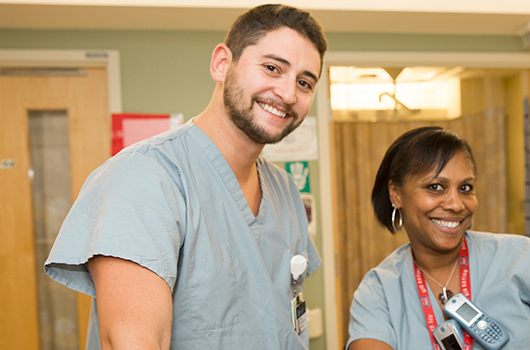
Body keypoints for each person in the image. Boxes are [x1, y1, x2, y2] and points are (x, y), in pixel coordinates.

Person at [44, 4, 327, 349]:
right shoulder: (144, 177)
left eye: (304, 82)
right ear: (222, 64)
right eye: (271, 68)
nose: (287, 94)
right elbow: (134, 342)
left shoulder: (284, 190)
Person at [346, 127, 530, 350]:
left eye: (465, 188)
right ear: (396, 194)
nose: (456, 204)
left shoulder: (522, 258)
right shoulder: (379, 291)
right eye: (436, 187)